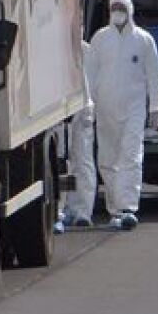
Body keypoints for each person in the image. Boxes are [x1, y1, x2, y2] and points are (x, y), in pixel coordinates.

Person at [85, 0, 158, 230]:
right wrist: (88, 103)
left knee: (131, 156)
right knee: (107, 160)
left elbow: (154, 75)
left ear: (130, 9)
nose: (117, 10)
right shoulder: (100, 39)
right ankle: (115, 209)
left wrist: (156, 107)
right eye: (114, 7)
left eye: (121, 6)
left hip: (134, 108)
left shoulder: (144, 40)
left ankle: (128, 207)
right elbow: (90, 73)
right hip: (105, 107)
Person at [60, 41, 96, 229]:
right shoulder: (55, 47)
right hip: (59, 113)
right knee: (62, 164)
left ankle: (83, 211)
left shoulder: (87, 50)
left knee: (83, 163)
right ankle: (63, 211)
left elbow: (94, 85)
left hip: (82, 113)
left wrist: (89, 112)